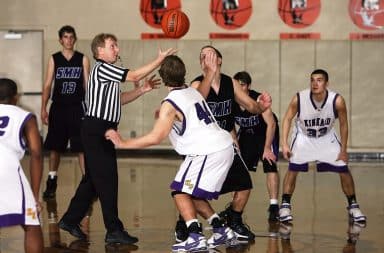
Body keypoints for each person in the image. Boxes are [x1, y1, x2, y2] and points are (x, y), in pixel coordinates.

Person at [105, 54, 242, 251]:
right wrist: (210, 73)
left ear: (162, 76)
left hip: (208, 150)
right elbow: (202, 92)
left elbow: (155, 137)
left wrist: (123, 143)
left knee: (180, 191)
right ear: (184, 74)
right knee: (192, 193)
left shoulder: (169, 104)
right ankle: (219, 230)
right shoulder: (192, 91)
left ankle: (195, 236)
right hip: (223, 146)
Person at [58, 33, 176, 244]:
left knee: (93, 180)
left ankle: (70, 219)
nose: (117, 49)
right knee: (108, 180)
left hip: (100, 128)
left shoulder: (107, 74)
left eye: (117, 45)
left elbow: (118, 100)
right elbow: (133, 75)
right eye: (113, 46)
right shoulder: (103, 68)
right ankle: (113, 229)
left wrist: (142, 90)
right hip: (96, 129)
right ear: (100, 51)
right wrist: (159, 60)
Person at [173, 45, 272, 243]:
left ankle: (233, 219)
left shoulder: (230, 82)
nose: (206, 59)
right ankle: (185, 221)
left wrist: (262, 106)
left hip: (224, 146)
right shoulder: (196, 85)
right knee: (189, 191)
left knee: (245, 185)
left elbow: (250, 105)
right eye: (202, 56)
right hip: (202, 148)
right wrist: (208, 76)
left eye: (210, 55)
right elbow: (197, 100)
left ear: (219, 60)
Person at [279, 69, 366, 224]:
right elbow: (287, 119)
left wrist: (344, 150)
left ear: (326, 83)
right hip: (304, 137)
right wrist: (284, 144)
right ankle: (285, 205)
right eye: (312, 80)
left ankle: (353, 205)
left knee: (343, 167)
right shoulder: (299, 98)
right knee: (294, 167)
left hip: (326, 137)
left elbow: (344, 125)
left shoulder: (337, 100)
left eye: (319, 80)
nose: (315, 83)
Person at [41, 25, 90, 199]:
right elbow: (48, 85)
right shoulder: (54, 59)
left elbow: (87, 85)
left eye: (71, 37)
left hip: (77, 107)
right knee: (55, 147)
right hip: (59, 107)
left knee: (81, 147)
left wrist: (90, 107)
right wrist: (43, 108)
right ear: (61, 40)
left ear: (74, 39)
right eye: (65, 37)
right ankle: (52, 180)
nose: (68, 40)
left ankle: (87, 183)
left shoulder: (82, 59)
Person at [0, 78, 44, 253]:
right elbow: (36, 153)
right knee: (31, 222)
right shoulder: (24, 116)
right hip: (7, 169)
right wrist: (34, 195)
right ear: (16, 97)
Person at [232, 71, 280, 222]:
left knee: (269, 162)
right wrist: (235, 143)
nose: (239, 89)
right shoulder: (231, 100)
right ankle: (234, 208)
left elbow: (271, 124)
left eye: (243, 85)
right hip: (247, 133)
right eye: (237, 86)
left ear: (249, 86)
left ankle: (274, 206)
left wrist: (266, 148)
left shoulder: (258, 98)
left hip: (265, 131)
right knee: (238, 168)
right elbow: (229, 125)